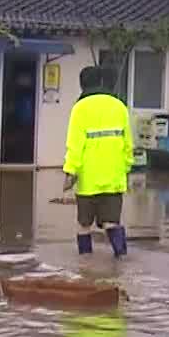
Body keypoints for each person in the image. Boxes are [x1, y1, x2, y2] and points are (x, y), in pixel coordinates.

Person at [63, 63, 133, 256]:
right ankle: (121, 260)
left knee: (84, 224)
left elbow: (75, 145)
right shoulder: (120, 107)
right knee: (112, 222)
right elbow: (128, 145)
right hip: (114, 178)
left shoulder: (80, 108)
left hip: (88, 180)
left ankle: (85, 267)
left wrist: (70, 172)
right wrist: (126, 169)